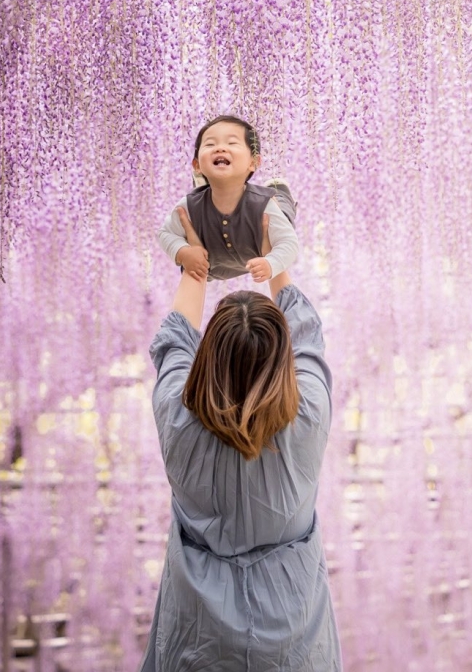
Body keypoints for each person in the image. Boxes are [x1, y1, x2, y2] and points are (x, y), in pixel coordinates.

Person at [140, 214, 341, 671]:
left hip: (198, 638)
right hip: (293, 637)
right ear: (283, 359)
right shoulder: (309, 414)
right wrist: (273, 251)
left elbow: (174, 343)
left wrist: (194, 262)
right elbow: (307, 333)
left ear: (207, 356)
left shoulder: (177, 415)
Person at [158, 116, 299, 282]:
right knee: (195, 268)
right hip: (216, 266)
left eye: (232, 143)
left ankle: (280, 191)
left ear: (253, 162)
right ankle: (203, 185)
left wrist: (271, 263)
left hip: (256, 250)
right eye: (210, 144)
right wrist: (183, 252)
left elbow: (288, 242)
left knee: (283, 214)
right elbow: (166, 233)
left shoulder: (263, 204)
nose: (220, 148)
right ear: (197, 165)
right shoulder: (189, 205)